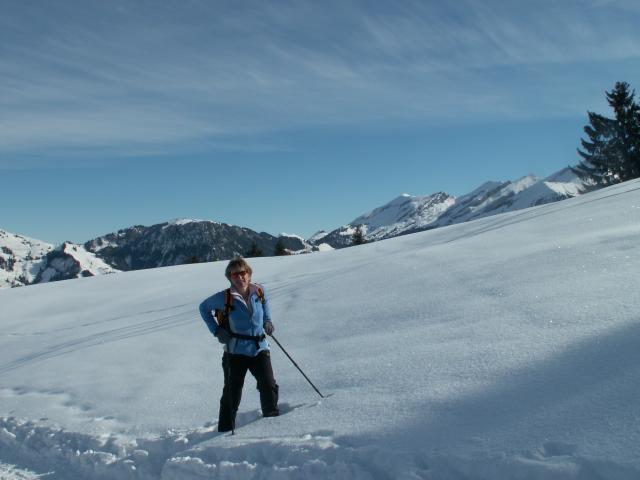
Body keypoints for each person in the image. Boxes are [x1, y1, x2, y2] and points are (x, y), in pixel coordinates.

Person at [199, 256, 279, 432]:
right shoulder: (225, 297)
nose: (239, 277)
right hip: (235, 352)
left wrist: (268, 321)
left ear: (249, 274)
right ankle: (226, 429)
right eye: (234, 274)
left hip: (259, 347)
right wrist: (216, 330)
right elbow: (203, 308)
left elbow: (266, 306)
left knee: (268, 384)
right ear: (230, 278)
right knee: (232, 392)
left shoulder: (259, 291)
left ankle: (272, 420)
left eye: (242, 273)